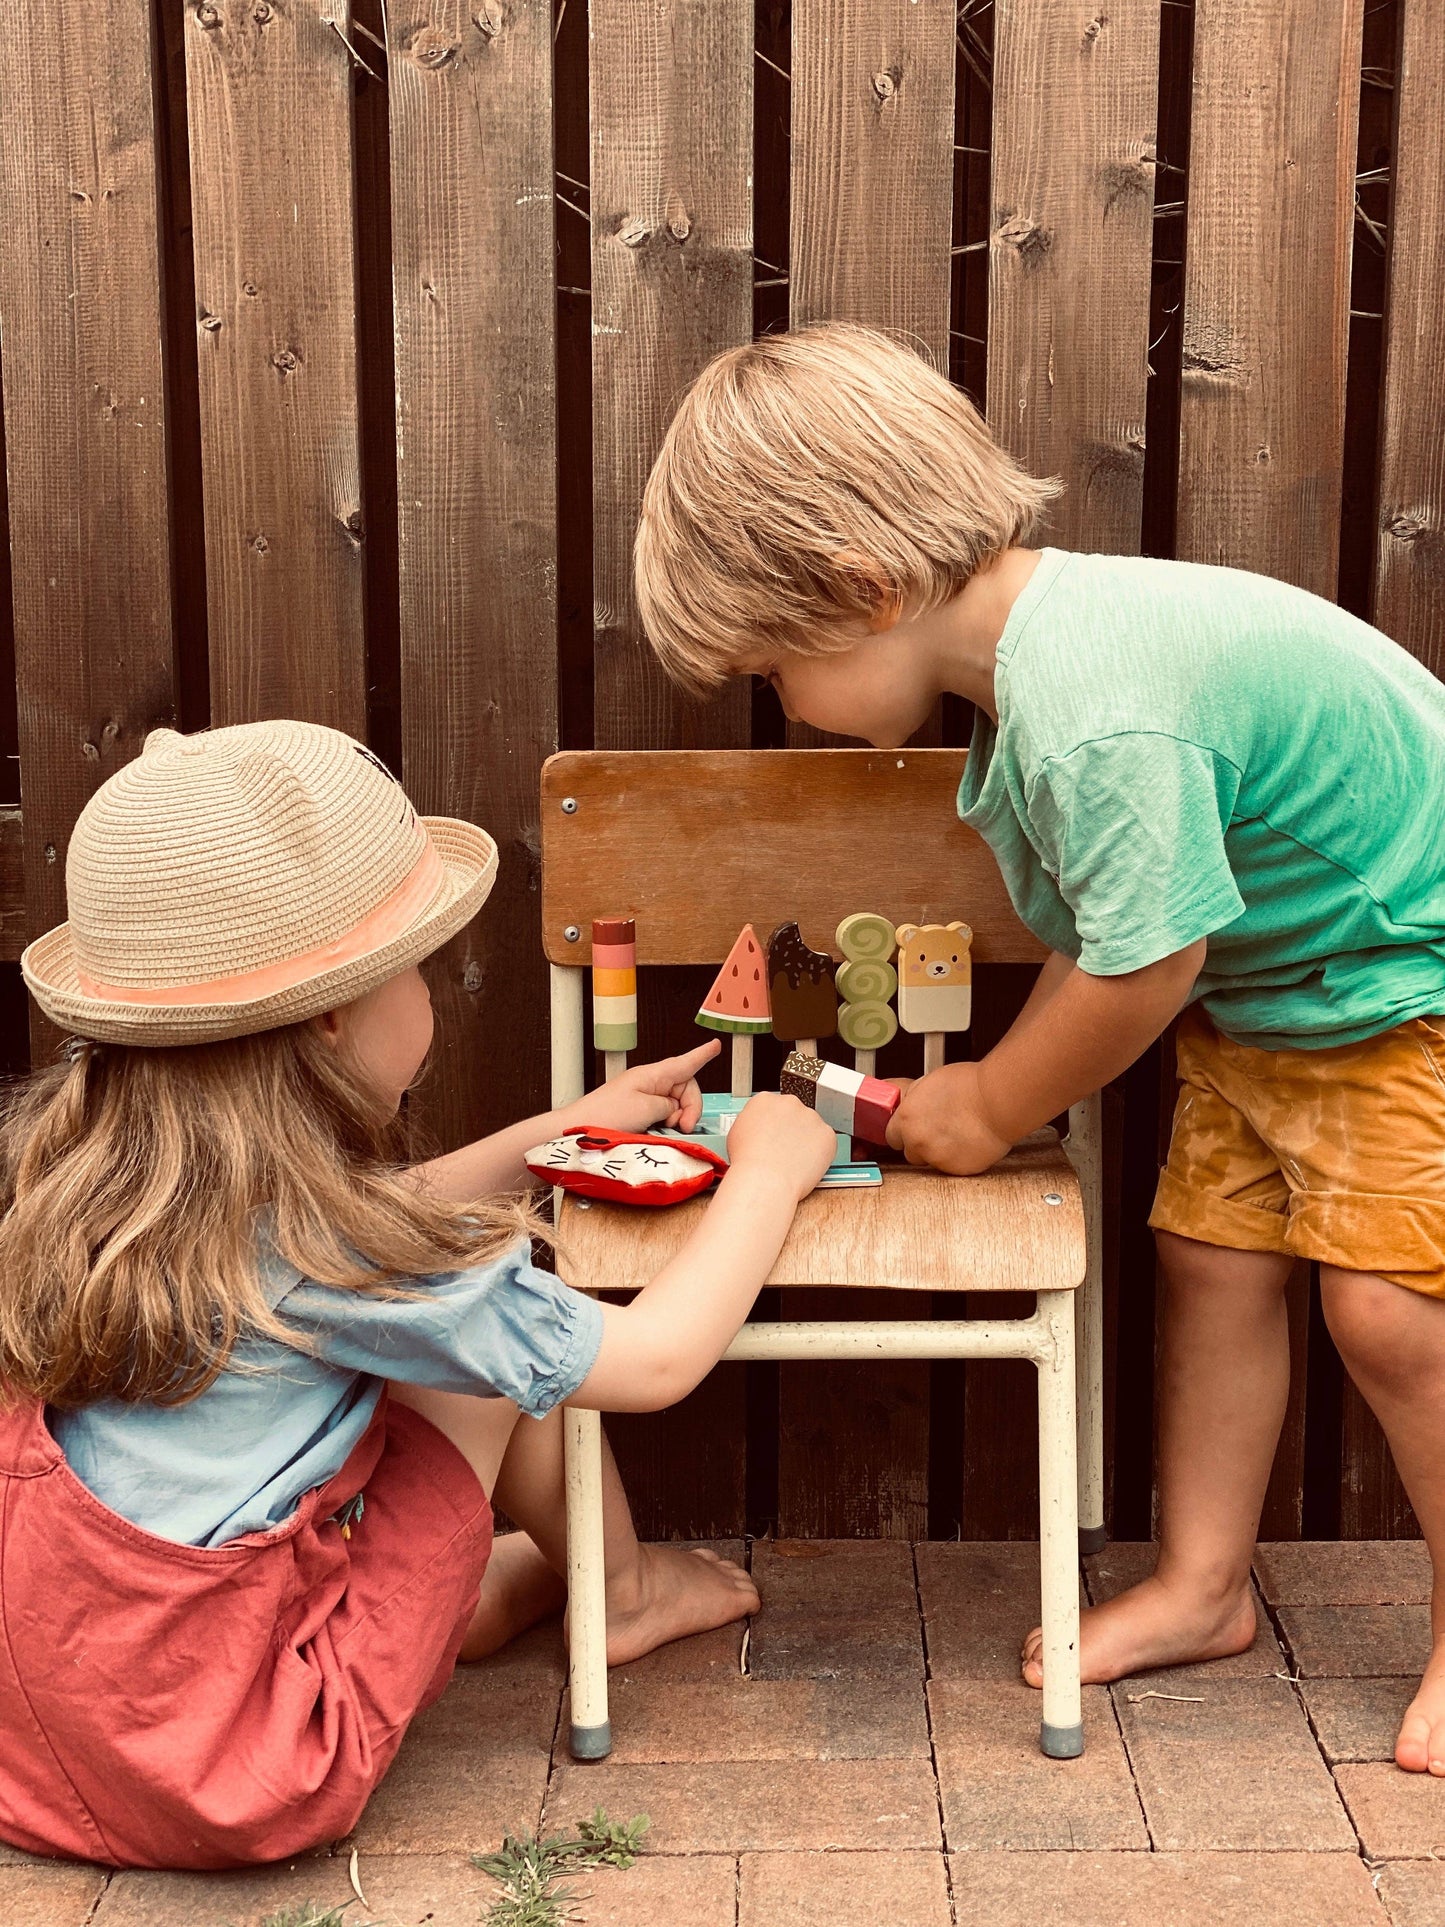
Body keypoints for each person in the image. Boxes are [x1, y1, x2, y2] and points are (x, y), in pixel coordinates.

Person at [634, 320, 1445, 1778]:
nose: (784, 705)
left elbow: (1147, 956)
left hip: (1409, 980)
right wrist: (982, 1092)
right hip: (1284, 991)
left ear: (867, 588)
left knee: (1388, 1314)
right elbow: (1128, 913)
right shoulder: (1050, 667)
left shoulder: (1088, 710)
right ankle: (1204, 1588)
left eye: (774, 666)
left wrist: (991, 1096)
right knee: (1211, 1262)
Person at [0, 719, 834, 1868]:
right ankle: (624, 1589)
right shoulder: (369, 1266)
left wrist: (556, 1132)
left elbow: (322, 1251)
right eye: (419, 965)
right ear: (336, 1015)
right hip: (237, 1765)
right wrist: (774, 1175)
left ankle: (468, 1597)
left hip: (50, 1732)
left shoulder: (102, 1188)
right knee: (494, 1354)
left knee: (429, 1336)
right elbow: (651, 1360)